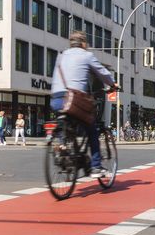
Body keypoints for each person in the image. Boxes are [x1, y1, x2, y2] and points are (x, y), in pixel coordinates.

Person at [50, 30, 116, 178]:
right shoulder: (86, 56)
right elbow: (103, 73)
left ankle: (61, 147)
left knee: (65, 124)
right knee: (91, 128)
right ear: (84, 43)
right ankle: (96, 167)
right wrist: (113, 84)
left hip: (56, 98)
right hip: (73, 100)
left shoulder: (61, 56)